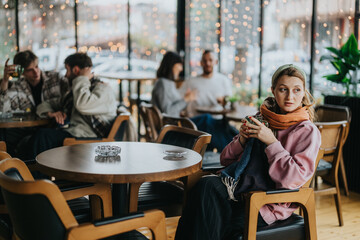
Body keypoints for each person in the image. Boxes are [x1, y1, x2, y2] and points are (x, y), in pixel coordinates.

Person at [175, 64, 321, 239]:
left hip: (268, 202)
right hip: (240, 190)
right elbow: (225, 160)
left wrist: (271, 142)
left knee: (212, 216)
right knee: (204, 187)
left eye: (297, 90)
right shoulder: (261, 119)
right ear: (273, 91)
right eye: (283, 89)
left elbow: (291, 180)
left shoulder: (307, 131)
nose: (290, 96)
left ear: (304, 92)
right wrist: (242, 140)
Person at [23, 52, 117, 160]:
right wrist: (51, 113)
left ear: (76, 70)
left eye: (67, 70)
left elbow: (82, 105)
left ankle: (34, 175)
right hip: (75, 134)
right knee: (32, 139)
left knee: (42, 136)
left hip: (88, 138)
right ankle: (32, 174)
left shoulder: (102, 89)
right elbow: (45, 104)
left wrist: (82, 78)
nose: (66, 75)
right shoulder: (75, 92)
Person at [151, 51, 237, 152]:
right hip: (173, 129)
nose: (181, 69)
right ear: (172, 65)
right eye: (179, 65)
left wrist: (184, 108)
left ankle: (233, 147)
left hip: (177, 125)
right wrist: (187, 99)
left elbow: (171, 107)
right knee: (207, 120)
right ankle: (233, 149)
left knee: (220, 126)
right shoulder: (163, 84)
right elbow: (168, 111)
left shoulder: (166, 83)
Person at [0, 50, 68, 157]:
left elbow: (72, 93)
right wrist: (5, 80)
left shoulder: (55, 79)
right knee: (5, 136)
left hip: (53, 125)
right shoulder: (18, 86)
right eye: (30, 70)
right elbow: (3, 109)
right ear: (22, 72)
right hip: (28, 128)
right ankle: (12, 169)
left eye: (36, 66)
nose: (36, 72)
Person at [180, 50, 233, 116]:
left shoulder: (224, 80)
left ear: (216, 62)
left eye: (210, 60)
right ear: (201, 63)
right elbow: (179, 100)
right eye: (205, 61)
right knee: (206, 117)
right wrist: (187, 98)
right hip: (197, 120)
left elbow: (230, 102)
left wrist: (224, 101)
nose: (207, 63)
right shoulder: (190, 81)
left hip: (218, 119)